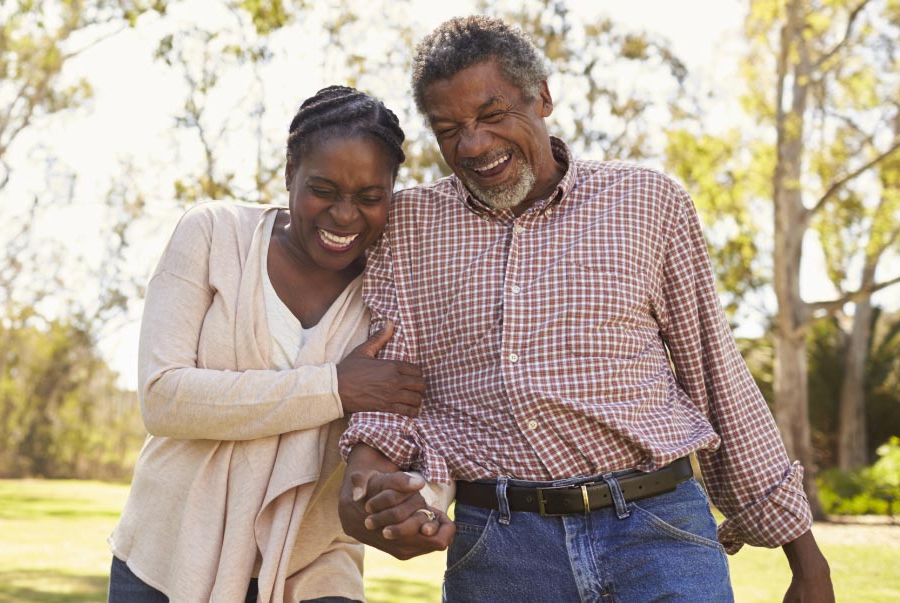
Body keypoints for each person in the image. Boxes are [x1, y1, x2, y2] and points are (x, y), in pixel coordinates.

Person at [335, 15, 835, 602]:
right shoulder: (409, 227)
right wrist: (367, 491)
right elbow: (391, 391)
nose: (473, 145)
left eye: (493, 116)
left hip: (659, 534)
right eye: (449, 128)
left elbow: (717, 376)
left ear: (542, 97)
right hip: (498, 551)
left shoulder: (649, 203)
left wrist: (807, 562)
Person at [108, 86, 426, 603]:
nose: (345, 216)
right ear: (289, 175)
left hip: (311, 560)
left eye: (370, 197)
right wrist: (333, 388)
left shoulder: (392, 290)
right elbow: (163, 398)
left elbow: (400, 416)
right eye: (323, 189)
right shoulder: (213, 235)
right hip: (168, 557)